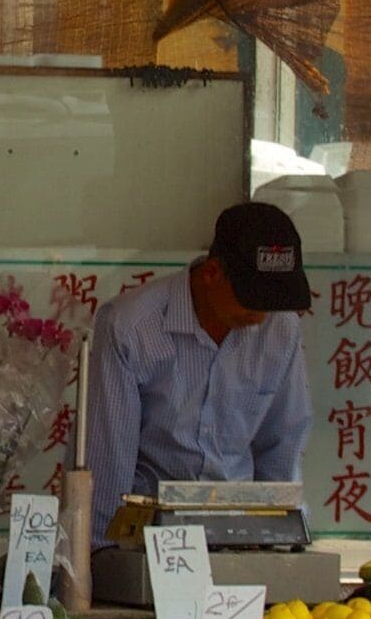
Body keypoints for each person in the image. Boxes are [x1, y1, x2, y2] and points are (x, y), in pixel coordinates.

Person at [84, 203, 315, 542]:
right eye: (251, 302)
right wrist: (99, 558)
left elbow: (283, 441)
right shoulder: (131, 327)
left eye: (271, 304)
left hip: (242, 532)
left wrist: (281, 539)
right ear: (211, 274)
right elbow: (107, 461)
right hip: (148, 533)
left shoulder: (280, 329)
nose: (261, 318)